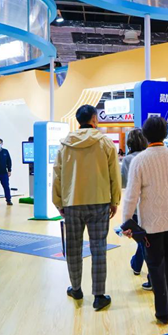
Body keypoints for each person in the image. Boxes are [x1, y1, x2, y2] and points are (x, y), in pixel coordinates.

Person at [122, 116, 168, 325]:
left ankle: (162, 312)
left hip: (151, 222)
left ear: (145, 135)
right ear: (166, 133)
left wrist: (127, 220)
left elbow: (131, 195)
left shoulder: (140, 160)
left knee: (155, 264)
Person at [52, 105, 122, 311]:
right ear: (93, 119)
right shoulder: (105, 143)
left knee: (73, 248)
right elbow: (114, 175)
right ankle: (99, 296)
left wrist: (58, 202)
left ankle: (76, 289)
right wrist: (114, 200)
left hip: (72, 203)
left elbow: (57, 175)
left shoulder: (65, 145)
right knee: (98, 248)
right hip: (99, 202)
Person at [121, 128, 152, 291]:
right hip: (152, 205)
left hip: (135, 206)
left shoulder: (128, 159)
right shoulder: (150, 156)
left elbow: (124, 183)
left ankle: (146, 272)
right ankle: (136, 264)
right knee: (146, 240)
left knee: (143, 240)